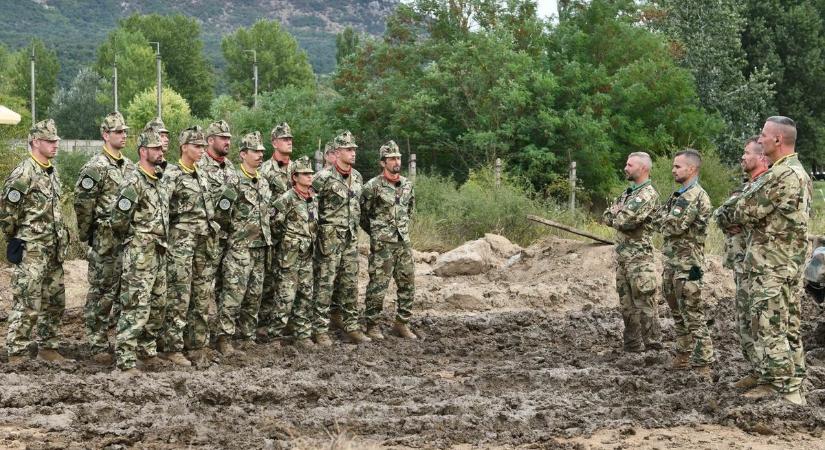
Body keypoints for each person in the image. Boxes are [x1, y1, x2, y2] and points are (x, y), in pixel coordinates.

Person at [733, 116, 812, 405]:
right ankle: (785, 379)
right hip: (783, 262)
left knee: (770, 324)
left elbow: (744, 210)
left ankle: (785, 390)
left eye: (764, 135)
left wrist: (740, 208)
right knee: (786, 323)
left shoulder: (782, 175)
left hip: (773, 264)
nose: (760, 138)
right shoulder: (796, 172)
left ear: (778, 140)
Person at [0, 119, 72, 364]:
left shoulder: (51, 171)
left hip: (53, 250)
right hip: (32, 250)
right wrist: (18, 240)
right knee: (27, 302)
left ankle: (48, 347)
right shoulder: (23, 173)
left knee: (54, 302)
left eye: (56, 141)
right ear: (35, 141)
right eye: (50, 141)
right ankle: (17, 352)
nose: (55, 145)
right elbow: (7, 214)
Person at [75, 111, 135, 364]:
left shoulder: (130, 166)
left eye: (124, 132)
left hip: (127, 241)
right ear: (105, 134)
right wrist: (90, 235)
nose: (123, 136)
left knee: (123, 292)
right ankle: (96, 342)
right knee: (101, 292)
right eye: (118, 132)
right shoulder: (95, 167)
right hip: (104, 239)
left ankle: (120, 341)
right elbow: (83, 204)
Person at [110, 130, 169, 374]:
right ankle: (125, 362)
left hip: (159, 251)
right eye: (155, 149)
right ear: (143, 151)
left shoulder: (158, 178)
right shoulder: (133, 182)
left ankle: (147, 351)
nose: (161, 152)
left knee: (157, 304)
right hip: (139, 253)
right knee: (135, 306)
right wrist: (137, 239)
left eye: (161, 148)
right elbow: (118, 220)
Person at [713, 137, 769, 387]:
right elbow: (721, 214)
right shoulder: (745, 189)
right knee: (744, 320)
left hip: (759, 265)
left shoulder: (766, 186)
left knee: (760, 321)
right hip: (742, 264)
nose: (742, 158)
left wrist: (735, 215)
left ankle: (768, 374)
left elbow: (740, 213)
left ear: (761, 157)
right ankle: (756, 371)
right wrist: (730, 216)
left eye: (747, 153)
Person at [160, 126, 218, 367]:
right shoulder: (171, 175)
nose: (202, 150)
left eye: (204, 146)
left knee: (202, 294)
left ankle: (197, 344)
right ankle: (172, 347)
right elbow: (162, 211)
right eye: (197, 146)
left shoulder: (202, 174)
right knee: (179, 296)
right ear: (184, 147)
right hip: (181, 243)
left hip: (204, 242)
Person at [214, 131, 272, 355]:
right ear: (243, 155)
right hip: (240, 249)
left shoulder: (263, 183)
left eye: (261, 152)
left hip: (260, 248)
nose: (259, 156)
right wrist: (236, 236)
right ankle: (224, 339)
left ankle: (248, 336)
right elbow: (221, 215)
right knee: (233, 295)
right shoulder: (234, 182)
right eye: (255, 152)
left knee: (254, 296)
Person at [658, 149, 714, 378]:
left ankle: (703, 364)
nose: (673, 170)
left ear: (692, 169)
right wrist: (662, 219)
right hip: (673, 262)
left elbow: (672, 226)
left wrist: (661, 220)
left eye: (678, 166)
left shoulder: (694, 196)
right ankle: (683, 353)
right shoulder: (679, 194)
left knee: (693, 313)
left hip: (688, 265)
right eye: (673, 166)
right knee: (678, 313)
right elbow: (662, 219)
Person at [311, 131, 370, 345]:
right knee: (324, 285)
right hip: (328, 241)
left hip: (350, 241)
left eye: (354, 149)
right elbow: (310, 208)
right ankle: (319, 329)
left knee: (350, 284)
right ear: (336, 153)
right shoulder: (322, 178)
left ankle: (351, 326)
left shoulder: (357, 177)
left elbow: (359, 209)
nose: (353, 153)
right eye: (348, 149)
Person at [602, 152, 661, 352]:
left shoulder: (647, 195)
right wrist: (616, 212)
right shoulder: (629, 194)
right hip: (624, 260)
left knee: (645, 304)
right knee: (627, 306)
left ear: (643, 168)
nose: (625, 168)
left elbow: (622, 221)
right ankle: (632, 346)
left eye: (630, 165)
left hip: (639, 260)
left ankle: (653, 348)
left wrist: (617, 212)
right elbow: (606, 216)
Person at [360, 140, 417, 340]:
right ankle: (373, 326)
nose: (396, 162)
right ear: (383, 162)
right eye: (392, 158)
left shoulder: (408, 185)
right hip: (383, 243)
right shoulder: (372, 187)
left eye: (398, 158)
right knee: (378, 286)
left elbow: (409, 210)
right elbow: (363, 215)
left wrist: (400, 229)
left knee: (408, 283)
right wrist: (378, 232)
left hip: (403, 242)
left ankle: (402, 323)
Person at [198, 120, 238, 343]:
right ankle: (198, 339)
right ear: (210, 140)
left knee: (229, 289)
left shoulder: (231, 167)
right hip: (206, 240)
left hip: (229, 240)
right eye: (223, 138)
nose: (227, 142)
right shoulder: (200, 166)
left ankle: (223, 337)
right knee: (202, 291)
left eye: (229, 138)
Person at [271, 155, 318, 348]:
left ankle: (303, 334)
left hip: (307, 254)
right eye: (304, 174)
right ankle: (275, 335)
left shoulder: (314, 198)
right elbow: (274, 225)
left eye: (310, 173)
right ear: (295, 177)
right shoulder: (286, 199)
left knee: (306, 295)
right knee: (285, 296)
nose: (309, 177)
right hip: (289, 256)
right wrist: (288, 241)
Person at [258, 122, 295, 341]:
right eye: (284, 139)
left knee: (290, 280)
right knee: (270, 280)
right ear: (274, 143)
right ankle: (264, 324)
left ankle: (286, 321)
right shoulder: (265, 170)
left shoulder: (298, 169)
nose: (289, 141)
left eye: (290, 139)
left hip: (295, 234)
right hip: (273, 234)